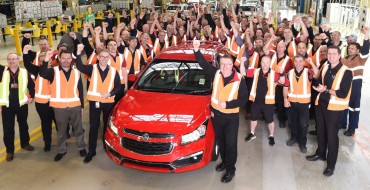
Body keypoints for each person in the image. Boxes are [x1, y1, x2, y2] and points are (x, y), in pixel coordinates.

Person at [193, 39, 248, 183]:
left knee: (230, 145)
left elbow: (244, 99)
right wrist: (196, 50)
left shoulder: (239, 79)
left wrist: (228, 104)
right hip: (217, 116)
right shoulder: (216, 73)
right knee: (221, 143)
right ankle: (224, 162)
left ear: (232, 66)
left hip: (231, 118)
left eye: (227, 64)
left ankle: (230, 170)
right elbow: (203, 65)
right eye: (222, 64)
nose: (224, 67)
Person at [306, 46, 353, 177]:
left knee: (332, 136)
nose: (331, 56)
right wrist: (316, 84)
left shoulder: (346, 72)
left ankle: (331, 165)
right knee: (320, 131)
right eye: (329, 54)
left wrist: (325, 90)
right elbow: (319, 81)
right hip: (321, 104)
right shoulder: (325, 67)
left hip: (334, 108)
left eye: (334, 54)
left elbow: (343, 93)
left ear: (339, 56)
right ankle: (320, 154)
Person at [75, 45, 121, 163]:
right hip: (95, 102)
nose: (104, 59)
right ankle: (92, 150)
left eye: (107, 57)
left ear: (109, 58)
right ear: (98, 57)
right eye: (102, 57)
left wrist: (110, 94)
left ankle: (107, 146)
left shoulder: (114, 71)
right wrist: (79, 53)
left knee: (107, 125)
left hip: (108, 102)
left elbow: (118, 86)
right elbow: (79, 66)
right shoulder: (92, 68)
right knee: (94, 126)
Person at [39, 50, 87, 162]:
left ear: (71, 59)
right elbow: (42, 74)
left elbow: (80, 89)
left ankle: (81, 147)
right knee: (61, 130)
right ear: (59, 59)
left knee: (78, 128)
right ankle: (61, 150)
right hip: (59, 107)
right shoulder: (53, 71)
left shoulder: (76, 72)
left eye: (68, 58)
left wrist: (82, 106)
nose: (66, 61)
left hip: (75, 105)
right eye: (63, 58)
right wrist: (46, 59)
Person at [242, 56, 287, 146]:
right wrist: (242, 62)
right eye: (263, 62)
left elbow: (282, 82)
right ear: (260, 63)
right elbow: (243, 72)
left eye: (267, 62)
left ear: (270, 63)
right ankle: (252, 133)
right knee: (253, 118)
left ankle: (271, 136)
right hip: (256, 101)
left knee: (270, 120)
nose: (265, 64)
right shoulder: (255, 71)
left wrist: (282, 73)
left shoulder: (274, 74)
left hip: (268, 103)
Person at [0, 53, 35, 161]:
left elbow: (31, 86)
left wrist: (32, 96)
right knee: (8, 129)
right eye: (9, 59)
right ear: (7, 61)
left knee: (23, 125)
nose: (12, 61)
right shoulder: (2, 71)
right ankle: (10, 151)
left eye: (14, 59)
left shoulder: (24, 72)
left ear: (18, 60)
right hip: (7, 106)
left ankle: (25, 143)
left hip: (21, 104)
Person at [283, 55, 319, 153]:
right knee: (292, 122)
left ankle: (302, 143)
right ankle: (294, 138)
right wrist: (285, 99)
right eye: (296, 61)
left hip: (304, 103)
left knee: (303, 124)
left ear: (304, 62)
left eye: (300, 61)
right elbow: (285, 87)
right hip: (291, 102)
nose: (298, 63)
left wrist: (311, 63)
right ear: (294, 62)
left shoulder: (308, 72)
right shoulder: (289, 73)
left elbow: (317, 74)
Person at [340, 27, 369, 136]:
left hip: (356, 85)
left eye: (353, 48)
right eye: (349, 48)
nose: (350, 49)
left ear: (357, 50)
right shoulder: (344, 60)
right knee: (344, 105)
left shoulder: (360, 58)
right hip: (345, 85)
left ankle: (352, 127)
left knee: (354, 107)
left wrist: (366, 35)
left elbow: (366, 48)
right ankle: (342, 124)